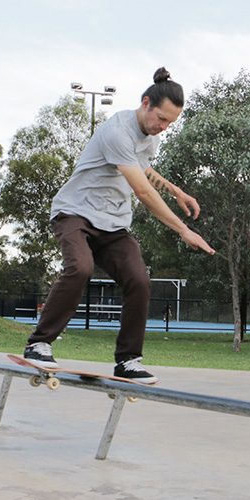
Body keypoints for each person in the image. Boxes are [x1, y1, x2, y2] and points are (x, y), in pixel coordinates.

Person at [24, 67, 215, 382]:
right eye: (161, 119)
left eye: (170, 123)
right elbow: (142, 190)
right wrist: (182, 229)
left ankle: (128, 360)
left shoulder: (149, 137)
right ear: (145, 104)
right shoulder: (117, 130)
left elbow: (145, 171)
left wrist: (177, 191)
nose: (163, 128)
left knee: (138, 280)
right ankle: (39, 343)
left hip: (112, 224)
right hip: (75, 213)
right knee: (80, 268)